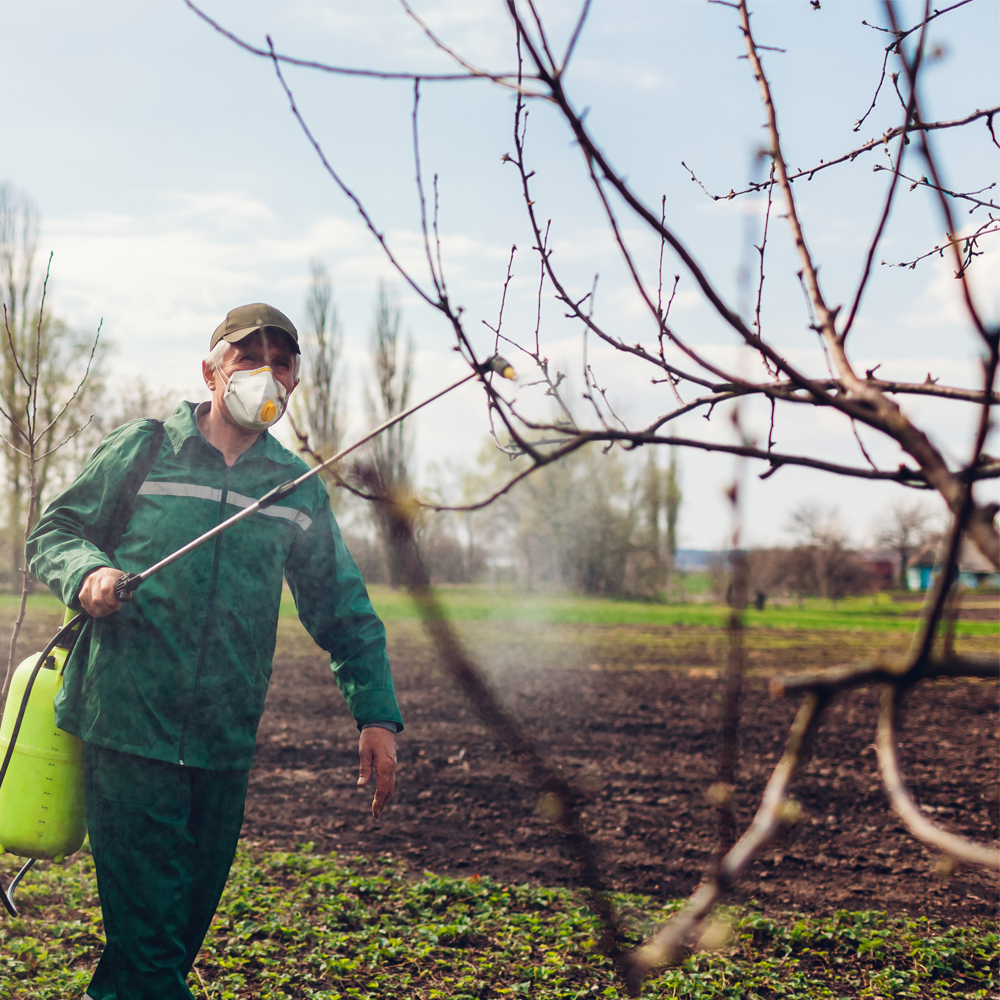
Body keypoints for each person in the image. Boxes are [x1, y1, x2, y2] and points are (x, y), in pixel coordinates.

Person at [26, 303, 403, 1000]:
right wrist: (89, 576)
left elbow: (342, 608)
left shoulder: (292, 489)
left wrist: (375, 714)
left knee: (166, 945)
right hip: (128, 730)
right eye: (248, 357)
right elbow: (57, 531)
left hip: (222, 745)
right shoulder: (145, 449)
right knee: (151, 949)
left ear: (295, 383)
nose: (266, 373)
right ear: (211, 369)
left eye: (281, 362)